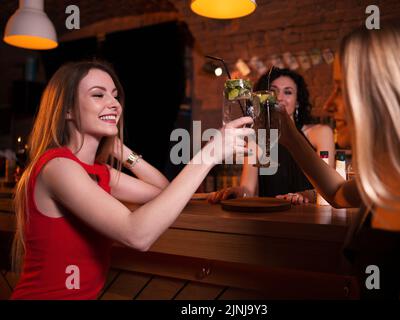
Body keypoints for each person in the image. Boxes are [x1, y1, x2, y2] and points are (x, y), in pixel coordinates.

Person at [10, 60, 253, 299]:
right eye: (98, 95)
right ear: (68, 110)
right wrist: (209, 153)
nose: (114, 104)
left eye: (115, 96)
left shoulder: (98, 171)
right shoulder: (58, 166)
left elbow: (164, 192)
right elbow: (137, 235)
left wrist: (122, 151)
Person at [277, 14, 400, 299]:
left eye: (342, 90)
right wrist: (291, 135)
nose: (330, 104)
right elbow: (336, 192)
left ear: (391, 97)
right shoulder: (393, 184)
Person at [209, 68, 335, 204]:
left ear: (297, 101)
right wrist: (236, 191)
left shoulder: (321, 133)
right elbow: (248, 190)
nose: (280, 97)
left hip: (310, 218)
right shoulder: (256, 139)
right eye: (273, 91)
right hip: (268, 219)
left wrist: (305, 195)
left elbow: (330, 187)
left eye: (288, 92)